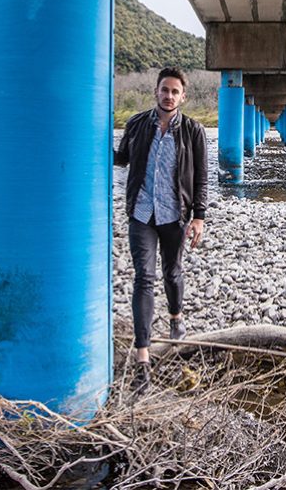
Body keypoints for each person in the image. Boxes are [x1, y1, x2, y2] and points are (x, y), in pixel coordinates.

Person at [114, 66, 208, 381]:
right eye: (164, 90)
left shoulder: (193, 131)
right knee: (144, 277)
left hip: (175, 215)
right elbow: (122, 158)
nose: (168, 96)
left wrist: (199, 216)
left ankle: (176, 318)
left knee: (173, 271)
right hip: (141, 213)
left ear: (183, 96)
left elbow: (201, 178)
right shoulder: (138, 124)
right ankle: (143, 357)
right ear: (156, 91)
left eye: (175, 91)